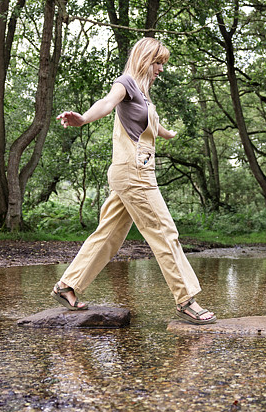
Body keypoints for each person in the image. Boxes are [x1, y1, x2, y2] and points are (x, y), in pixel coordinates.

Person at [50, 37, 216, 325]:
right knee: (165, 232)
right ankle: (186, 300)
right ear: (143, 59)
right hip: (134, 173)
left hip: (133, 172)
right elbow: (106, 103)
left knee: (109, 235)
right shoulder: (125, 83)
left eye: (162, 63)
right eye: (157, 63)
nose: (161, 69)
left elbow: (150, 124)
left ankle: (67, 285)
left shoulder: (144, 93)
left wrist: (167, 133)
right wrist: (83, 118)